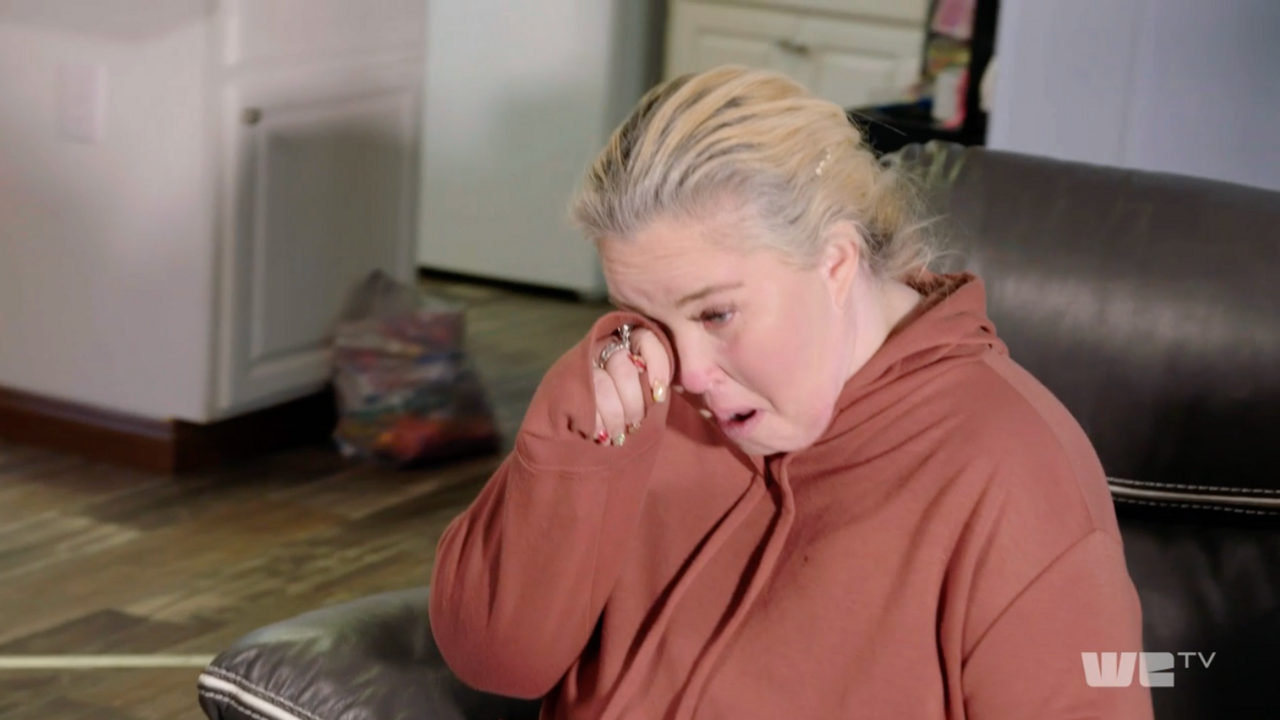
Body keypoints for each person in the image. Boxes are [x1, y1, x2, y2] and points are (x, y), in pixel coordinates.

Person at [429, 66, 1153, 719]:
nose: (688, 373)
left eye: (717, 314)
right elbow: (495, 658)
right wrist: (577, 445)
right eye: (650, 317)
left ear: (836, 262)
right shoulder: (638, 391)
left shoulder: (1013, 469)